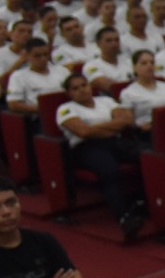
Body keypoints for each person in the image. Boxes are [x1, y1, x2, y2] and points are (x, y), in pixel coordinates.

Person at [55, 75, 147, 240]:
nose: (82, 90)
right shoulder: (66, 109)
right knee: (110, 170)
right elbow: (83, 132)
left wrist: (96, 127)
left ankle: (142, 202)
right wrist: (112, 126)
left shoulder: (106, 101)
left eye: (84, 85)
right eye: (75, 88)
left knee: (148, 157)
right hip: (86, 148)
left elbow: (126, 120)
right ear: (69, 93)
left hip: (114, 142)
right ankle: (124, 217)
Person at [119, 50, 165, 135]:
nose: (149, 66)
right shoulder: (128, 93)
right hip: (147, 134)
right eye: (144, 63)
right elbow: (130, 124)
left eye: (152, 62)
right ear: (134, 67)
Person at [5, 39, 69, 115]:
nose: (43, 59)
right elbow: (13, 104)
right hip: (38, 115)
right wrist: (43, 109)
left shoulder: (62, 71)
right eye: (37, 56)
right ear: (27, 56)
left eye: (45, 54)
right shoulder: (18, 76)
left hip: (66, 112)